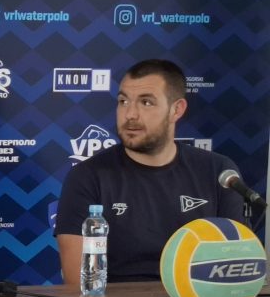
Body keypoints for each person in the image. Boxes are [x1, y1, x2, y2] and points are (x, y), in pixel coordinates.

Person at [55, 59, 246, 283]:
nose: (130, 114)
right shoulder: (87, 176)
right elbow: (78, 283)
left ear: (176, 110)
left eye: (146, 102)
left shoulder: (219, 172)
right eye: (123, 101)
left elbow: (238, 263)